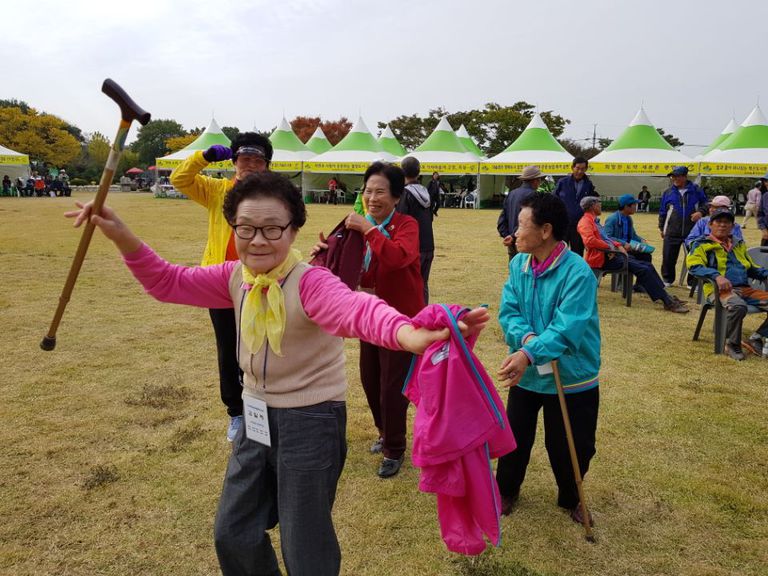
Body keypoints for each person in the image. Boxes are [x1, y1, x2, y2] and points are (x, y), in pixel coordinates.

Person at [66, 172, 490, 576]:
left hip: (311, 420)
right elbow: (167, 281)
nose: (257, 240)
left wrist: (408, 333)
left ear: (293, 230)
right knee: (232, 531)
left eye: (272, 228)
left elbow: (358, 310)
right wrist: (120, 233)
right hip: (254, 417)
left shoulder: (310, 283)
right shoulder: (236, 276)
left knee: (304, 543)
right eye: (246, 228)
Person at [312, 162, 425, 479]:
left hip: (400, 320)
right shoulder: (357, 227)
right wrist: (324, 252)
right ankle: (383, 432)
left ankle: (394, 449)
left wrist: (369, 230)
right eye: (368, 191)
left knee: (392, 387)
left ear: (396, 197)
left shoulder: (406, 225)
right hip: (367, 316)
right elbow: (337, 264)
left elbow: (398, 257)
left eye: (380, 192)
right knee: (370, 379)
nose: (372, 198)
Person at [495, 193, 600, 526]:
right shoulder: (519, 264)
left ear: (545, 231)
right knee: (514, 436)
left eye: (521, 224)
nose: (515, 232)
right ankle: (506, 490)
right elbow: (509, 311)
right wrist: (527, 342)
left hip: (571, 374)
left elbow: (567, 328)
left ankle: (571, 496)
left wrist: (529, 352)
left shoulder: (578, 273)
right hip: (527, 372)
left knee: (571, 445)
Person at [170, 132, 273, 441]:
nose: (250, 165)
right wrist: (203, 157)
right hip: (219, 283)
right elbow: (179, 179)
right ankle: (236, 412)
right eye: (244, 159)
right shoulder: (217, 191)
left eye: (257, 160)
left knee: (258, 348)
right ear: (234, 162)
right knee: (228, 347)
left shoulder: (272, 196)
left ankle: (262, 408)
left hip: (259, 282)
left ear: (266, 165)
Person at [578, 196, 689, 313]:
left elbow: (606, 238)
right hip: (602, 259)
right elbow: (590, 241)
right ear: (592, 206)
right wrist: (611, 247)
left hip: (612, 255)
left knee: (647, 265)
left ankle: (666, 296)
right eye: (599, 203)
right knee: (644, 269)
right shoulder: (585, 222)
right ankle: (668, 302)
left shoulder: (594, 221)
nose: (601, 206)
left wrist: (617, 245)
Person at [687, 208, 768, 361]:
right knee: (738, 306)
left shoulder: (738, 244)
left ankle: (757, 337)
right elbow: (694, 266)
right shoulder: (701, 244)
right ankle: (731, 344)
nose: (722, 225)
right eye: (718, 221)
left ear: (732, 226)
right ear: (710, 224)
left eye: (727, 222)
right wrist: (716, 276)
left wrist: (765, 273)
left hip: (745, 289)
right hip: (719, 290)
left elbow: (751, 267)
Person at [658, 166, 708, 286]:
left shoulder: (696, 190)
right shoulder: (668, 192)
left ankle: (692, 282)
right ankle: (667, 279)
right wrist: (661, 227)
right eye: (673, 176)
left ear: (685, 177)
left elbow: (706, 204)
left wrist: (700, 212)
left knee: (694, 256)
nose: (674, 179)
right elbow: (663, 211)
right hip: (672, 230)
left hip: (693, 231)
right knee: (668, 257)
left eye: (677, 176)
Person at [398, 156, 438, 303]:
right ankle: (424, 312)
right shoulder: (425, 191)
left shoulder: (405, 193)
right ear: (419, 172)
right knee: (423, 283)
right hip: (428, 244)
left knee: (409, 285)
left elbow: (400, 220)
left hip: (414, 247)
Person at [553, 156, 597, 257]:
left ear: (586, 169)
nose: (580, 171)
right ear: (572, 167)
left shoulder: (588, 185)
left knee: (577, 253)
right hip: (563, 224)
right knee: (559, 253)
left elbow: (591, 204)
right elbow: (554, 200)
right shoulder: (563, 182)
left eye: (583, 169)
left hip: (580, 226)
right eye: (577, 168)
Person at [497, 165, 543, 261]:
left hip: (511, 242)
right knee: (526, 267)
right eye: (540, 180)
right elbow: (530, 221)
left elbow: (502, 219)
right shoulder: (534, 195)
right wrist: (513, 236)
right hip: (526, 240)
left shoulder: (511, 193)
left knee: (514, 267)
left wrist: (507, 235)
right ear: (535, 180)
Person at [604, 194, 655, 262]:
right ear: (626, 206)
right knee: (641, 265)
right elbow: (606, 237)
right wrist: (623, 243)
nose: (636, 207)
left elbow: (633, 235)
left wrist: (641, 240)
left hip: (629, 249)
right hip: (618, 251)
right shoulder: (612, 219)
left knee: (647, 257)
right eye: (634, 205)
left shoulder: (628, 218)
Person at [756, 174, 768, 247]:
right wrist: (764, 229)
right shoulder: (765, 196)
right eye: (765, 181)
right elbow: (760, 214)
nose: (767, 183)